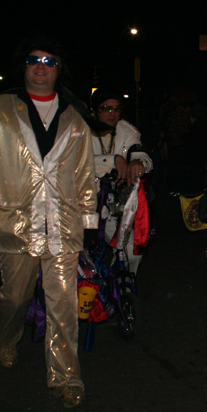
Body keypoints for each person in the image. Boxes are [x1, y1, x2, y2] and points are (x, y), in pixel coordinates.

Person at [0, 36, 99, 408]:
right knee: (15, 297)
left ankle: (66, 377)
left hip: (63, 225)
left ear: (58, 69)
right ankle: (5, 337)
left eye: (50, 60)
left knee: (63, 306)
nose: (41, 66)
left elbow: (85, 174)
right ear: (23, 67)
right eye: (34, 59)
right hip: (13, 223)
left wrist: (90, 222)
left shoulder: (75, 115)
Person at [90, 88, 152, 274]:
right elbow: (76, 162)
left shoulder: (125, 129)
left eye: (116, 108)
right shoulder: (81, 127)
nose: (112, 113)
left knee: (131, 251)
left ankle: (119, 290)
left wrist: (138, 162)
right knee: (82, 258)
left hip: (112, 203)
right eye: (106, 108)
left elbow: (139, 151)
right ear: (95, 110)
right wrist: (113, 160)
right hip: (82, 202)